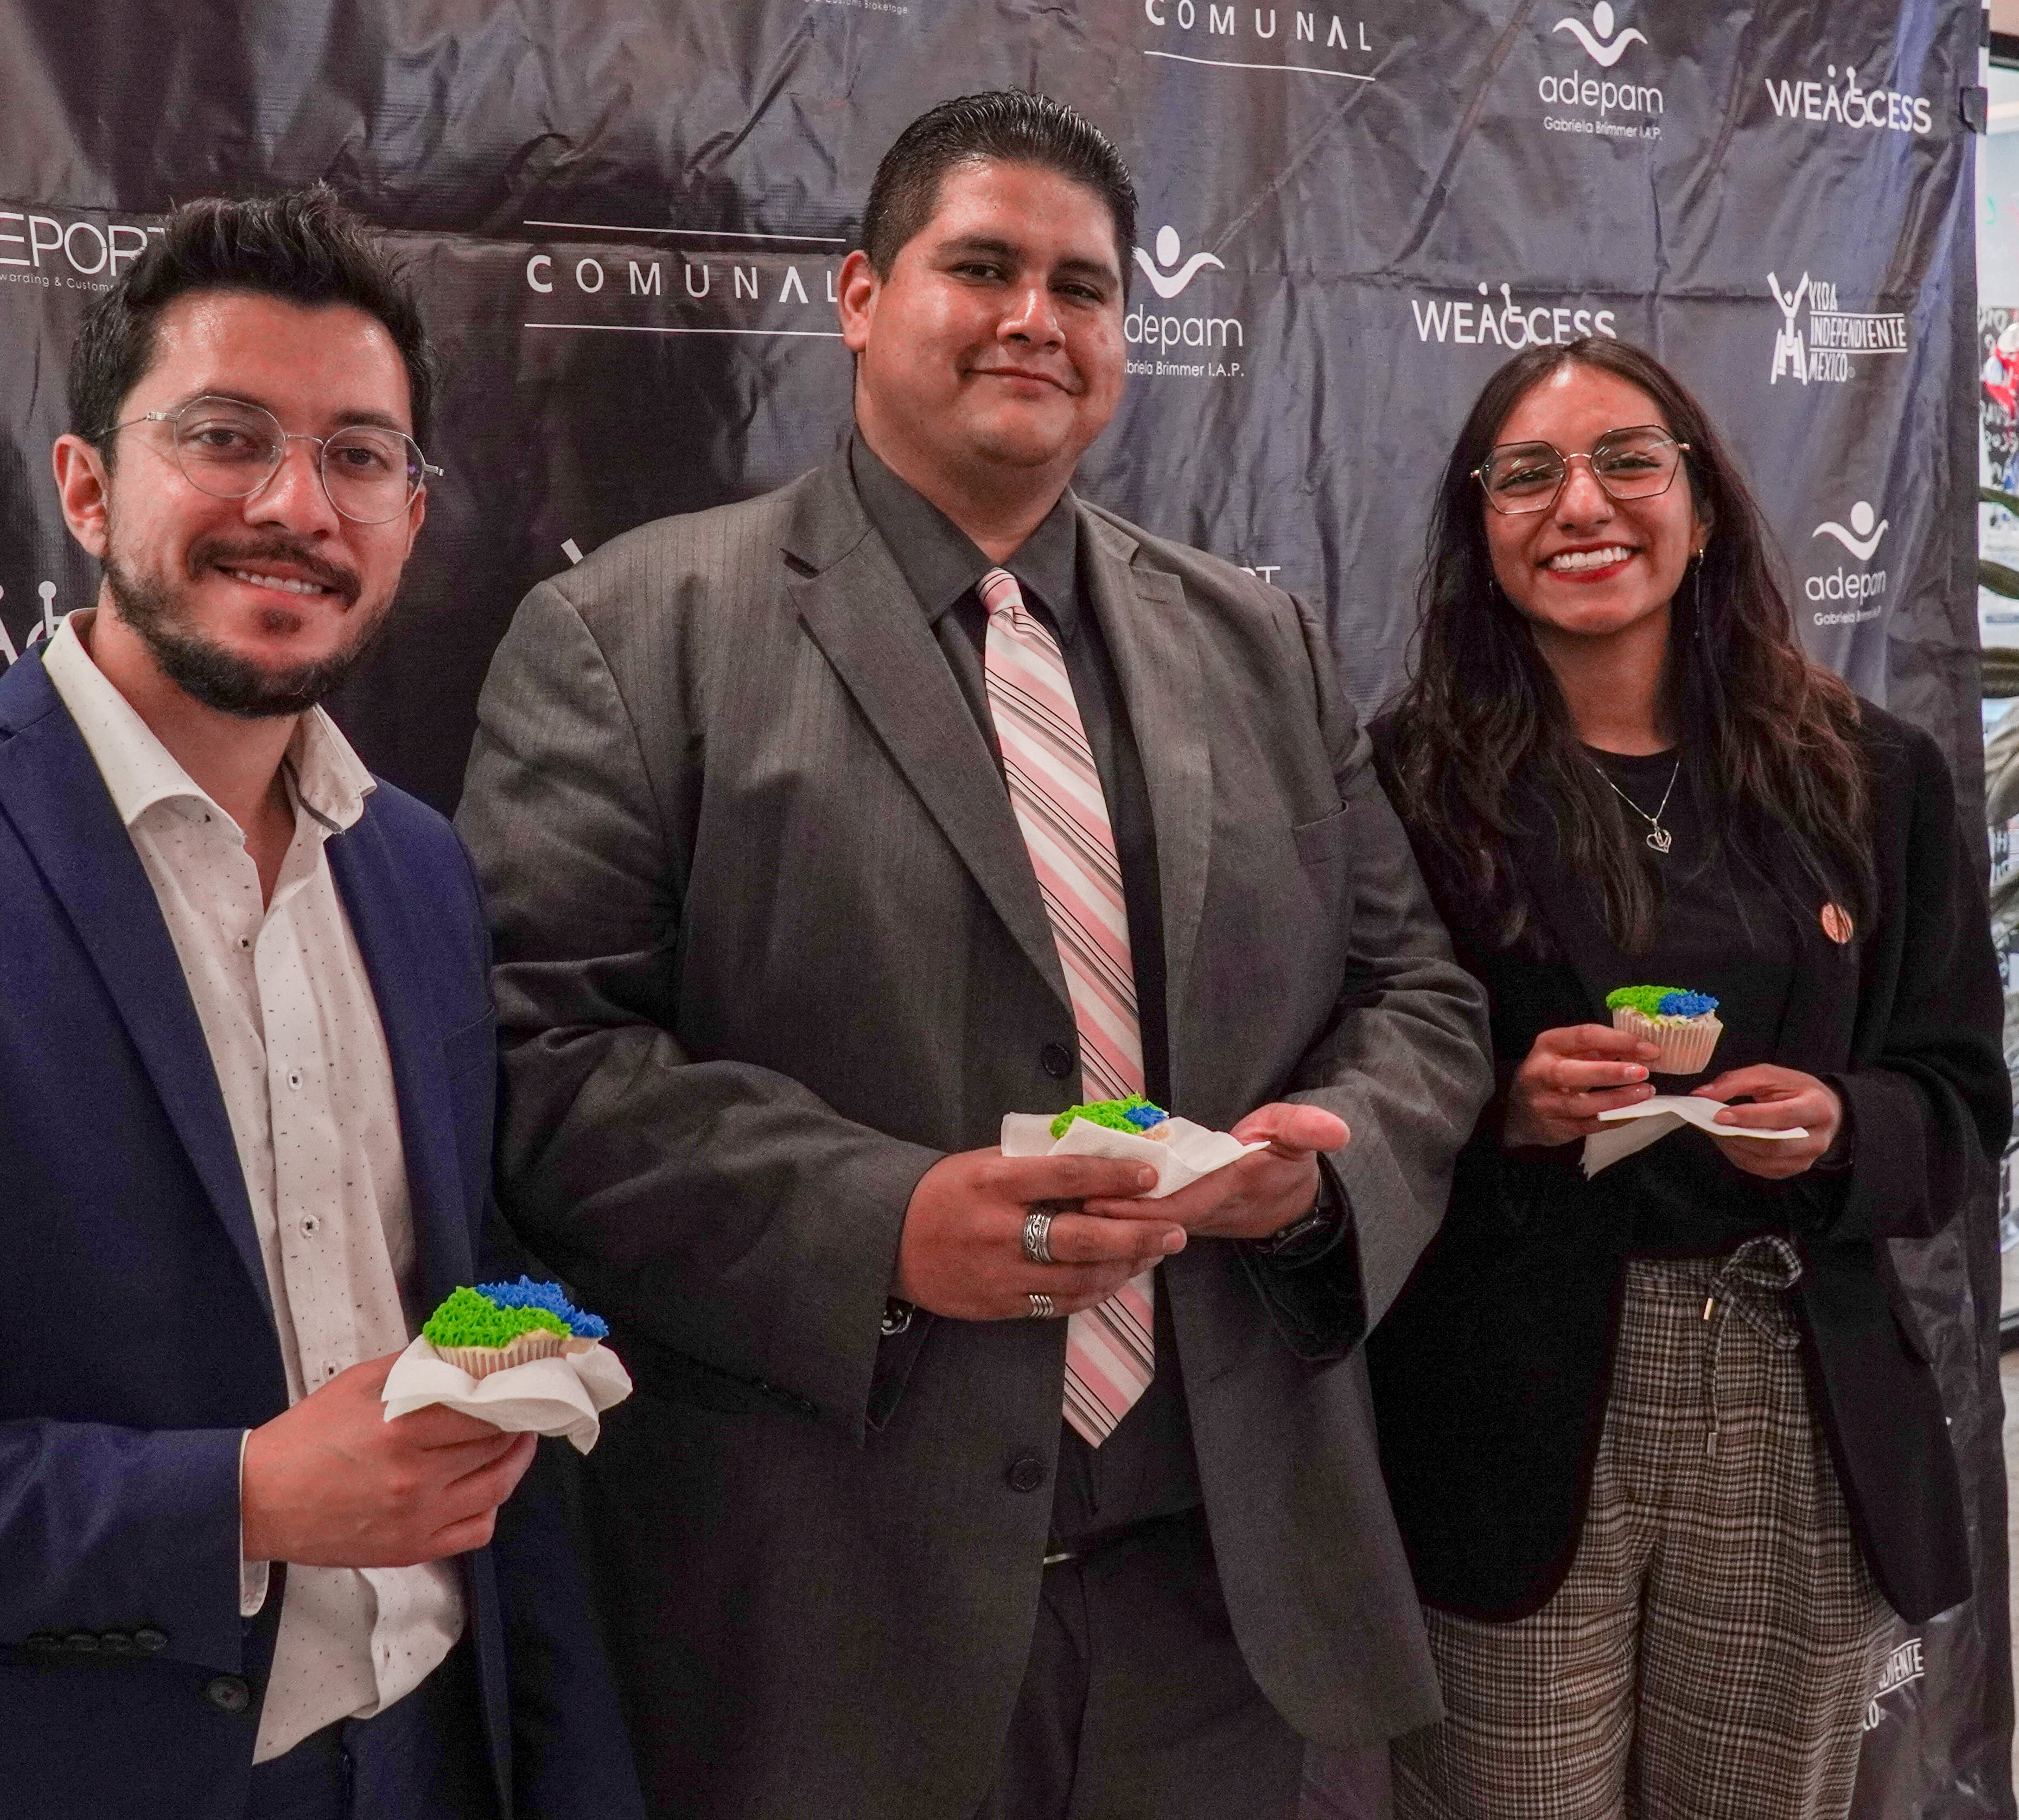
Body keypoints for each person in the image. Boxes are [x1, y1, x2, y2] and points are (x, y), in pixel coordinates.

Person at [454, 90, 1493, 1820]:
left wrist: (1326, 1175)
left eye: (1084, 288)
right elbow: (543, 1060)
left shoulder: (1264, 643)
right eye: (984, 268)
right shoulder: (629, 638)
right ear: (863, 297)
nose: (1037, 319)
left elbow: (1421, 1000)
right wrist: (879, 1224)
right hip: (835, 1619)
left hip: (1224, 1607)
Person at [0, 190, 644, 1820]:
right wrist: (237, 1501)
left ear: (410, 515)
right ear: (89, 487)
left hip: (421, 1758)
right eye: (226, 438)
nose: (296, 505)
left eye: (359, 456)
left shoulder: (419, 872)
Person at [1361, 337, 2010, 1819]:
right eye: (1527, 475)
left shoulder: (1870, 776)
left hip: (1793, 1375)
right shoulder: (1406, 786)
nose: (1581, 505)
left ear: (1703, 507)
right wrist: (1506, 1111)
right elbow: (1351, 1092)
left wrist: (1843, 1126)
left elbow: (1962, 1100)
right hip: (1511, 1403)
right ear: (1481, 530)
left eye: (1628, 462)